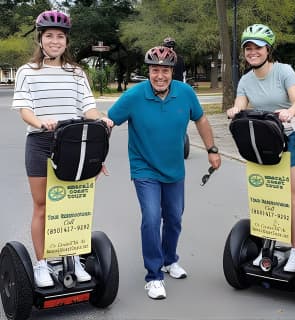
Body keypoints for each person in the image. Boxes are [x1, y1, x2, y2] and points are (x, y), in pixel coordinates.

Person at [107, 46, 221, 299]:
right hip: (144, 167)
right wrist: (95, 157)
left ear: (173, 72)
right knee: (151, 216)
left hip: (174, 168)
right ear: (148, 71)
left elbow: (200, 119)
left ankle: (170, 260)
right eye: (155, 70)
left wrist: (212, 149)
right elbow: (109, 122)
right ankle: (154, 275)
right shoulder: (134, 95)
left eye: (165, 70)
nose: (160, 75)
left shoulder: (185, 93)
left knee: (174, 217)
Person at [12, 10, 113, 288]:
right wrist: (41, 123)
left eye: (60, 36)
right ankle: (42, 263)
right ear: (40, 39)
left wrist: (101, 118)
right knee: (43, 205)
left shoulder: (77, 73)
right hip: (41, 141)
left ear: (66, 41)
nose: (55, 41)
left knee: (72, 205)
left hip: (71, 142)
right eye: (49, 36)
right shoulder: (26, 72)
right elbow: (25, 109)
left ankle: (74, 258)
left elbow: (88, 108)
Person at [227, 24, 295, 273]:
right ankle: (266, 248)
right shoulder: (246, 80)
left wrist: (289, 112)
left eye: (257, 47)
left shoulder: (284, 71)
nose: (252, 52)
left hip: (290, 141)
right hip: (262, 143)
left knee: (290, 198)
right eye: (248, 48)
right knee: (263, 198)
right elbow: (240, 103)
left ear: (267, 50)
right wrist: (235, 109)